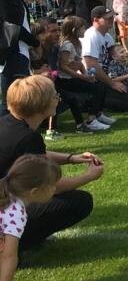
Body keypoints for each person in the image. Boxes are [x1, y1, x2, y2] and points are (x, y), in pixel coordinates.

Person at [0, 75, 104, 249]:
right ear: (40, 105)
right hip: (4, 211)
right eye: (54, 95)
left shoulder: (7, 123)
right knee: (80, 202)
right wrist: (89, 176)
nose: (58, 98)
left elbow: (34, 157)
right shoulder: (28, 137)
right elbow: (50, 186)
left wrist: (71, 158)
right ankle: (18, 243)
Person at [0, 154, 62, 281]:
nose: (55, 188)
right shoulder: (15, 211)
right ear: (35, 191)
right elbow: (9, 255)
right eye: (52, 185)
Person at [55, 16, 113, 133]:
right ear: (74, 30)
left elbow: (78, 62)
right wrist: (83, 77)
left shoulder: (77, 43)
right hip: (65, 80)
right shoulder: (67, 45)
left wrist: (87, 76)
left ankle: (97, 113)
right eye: (82, 28)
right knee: (97, 88)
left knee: (100, 84)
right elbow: (63, 66)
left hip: (73, 77)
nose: (84, 30)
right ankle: (91, 119)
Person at [0, 0, 40, 113]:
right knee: (12, 98)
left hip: (17, 49)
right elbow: (12, 26)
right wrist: (35, 43)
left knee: (14, 97)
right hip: (11, 51)